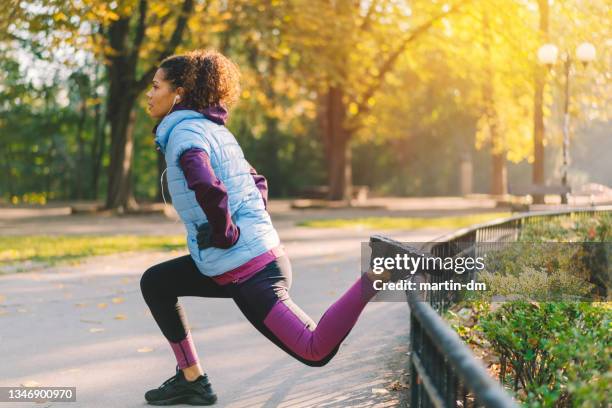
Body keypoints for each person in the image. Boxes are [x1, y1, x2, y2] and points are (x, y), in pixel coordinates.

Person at [140, 49, 386, 406]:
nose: (149, 94)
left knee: (315, 349)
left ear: (178, 93)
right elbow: (257, 181)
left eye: (155, 85)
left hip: (250, 271)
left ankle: (379, 275)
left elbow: (206, 185)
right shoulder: (214, 129)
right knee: (156, 283)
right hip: (235, 261)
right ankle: (192, 380)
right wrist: (246, 227)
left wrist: (228, 234)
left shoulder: (184, 134)